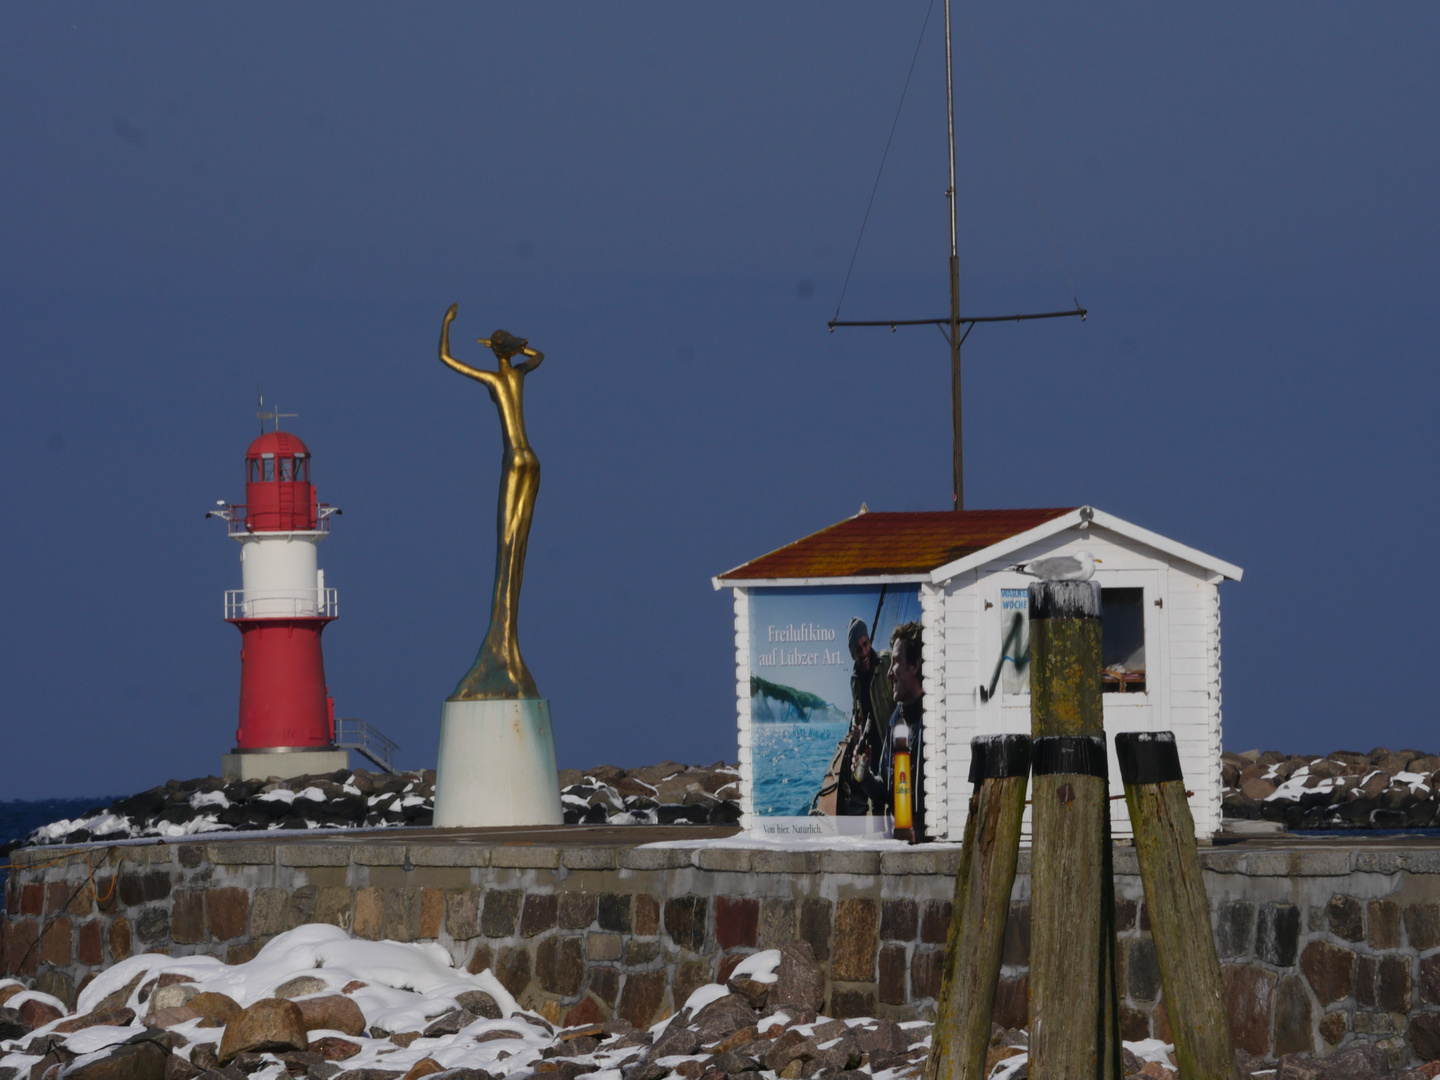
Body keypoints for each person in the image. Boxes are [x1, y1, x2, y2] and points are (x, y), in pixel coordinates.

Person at [855, 621, 927, 841]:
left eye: (895, 662)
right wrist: (866, 777)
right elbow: (886, 791)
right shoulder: (896, 718)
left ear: (915, 665)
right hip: (898, 841)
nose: (889, 674)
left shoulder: (934, 719)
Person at [838, 618, 893, 815]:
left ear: (869, 642)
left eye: (865, 644)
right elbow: (856, 712)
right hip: (871, 755)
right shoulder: (854, 682)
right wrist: (854, 726)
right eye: (857, 649)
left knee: (898, 802)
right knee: (876, 809)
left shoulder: (888, 661)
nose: (863, 652)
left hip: (892, 749)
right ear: (852, 654)